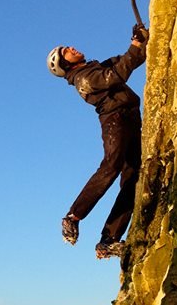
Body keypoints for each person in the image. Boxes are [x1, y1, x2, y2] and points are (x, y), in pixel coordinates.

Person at [46, 27, 148, 259]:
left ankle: (108, 241)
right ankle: (73, 217)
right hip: (116, 120)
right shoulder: (84, 78)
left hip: (129, 118)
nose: (71, 49)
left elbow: (128, 60)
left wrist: (139, 42)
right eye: (66, 52)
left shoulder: (93, 68)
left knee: (133, 179)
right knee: (111, 166)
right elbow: (117, 74)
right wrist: (134, 47)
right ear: (66, 64)